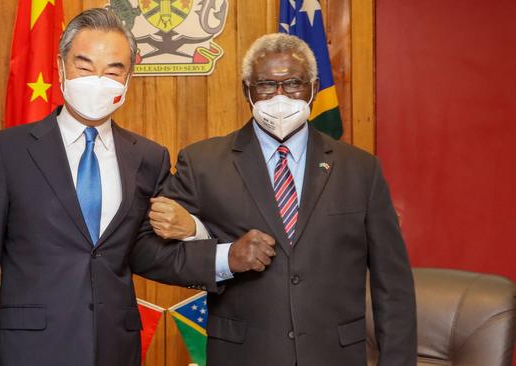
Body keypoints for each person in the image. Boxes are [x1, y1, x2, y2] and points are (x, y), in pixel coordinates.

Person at [0, 8, 240, 366]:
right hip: (29, 350)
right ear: (61, 66)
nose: (98, 79)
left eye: (113, 70)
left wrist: (199, 233)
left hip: (115, 348)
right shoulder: (7, 152)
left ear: (128, 78)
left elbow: (145, 253)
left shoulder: (149, 157)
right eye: (85, 66)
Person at [148, 33, 417, 366]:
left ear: (314, 88)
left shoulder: (361, 169)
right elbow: (148, 254)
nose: (280, 96)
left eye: (293, 83)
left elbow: (393, 285)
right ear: (247, 90)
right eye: (265, 85)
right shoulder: (203, 163)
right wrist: (225, 258)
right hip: (243, 356)